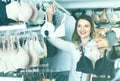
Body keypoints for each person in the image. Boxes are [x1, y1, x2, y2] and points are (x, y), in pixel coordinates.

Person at [42, 4, 109, 81]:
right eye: (79, 26)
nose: (82, 29)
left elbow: (102, 67)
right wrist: (49, 16)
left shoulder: (97, 44)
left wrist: (103, 51)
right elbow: (51, 38)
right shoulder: (73, 46)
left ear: (91, 28)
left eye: (86, 26)